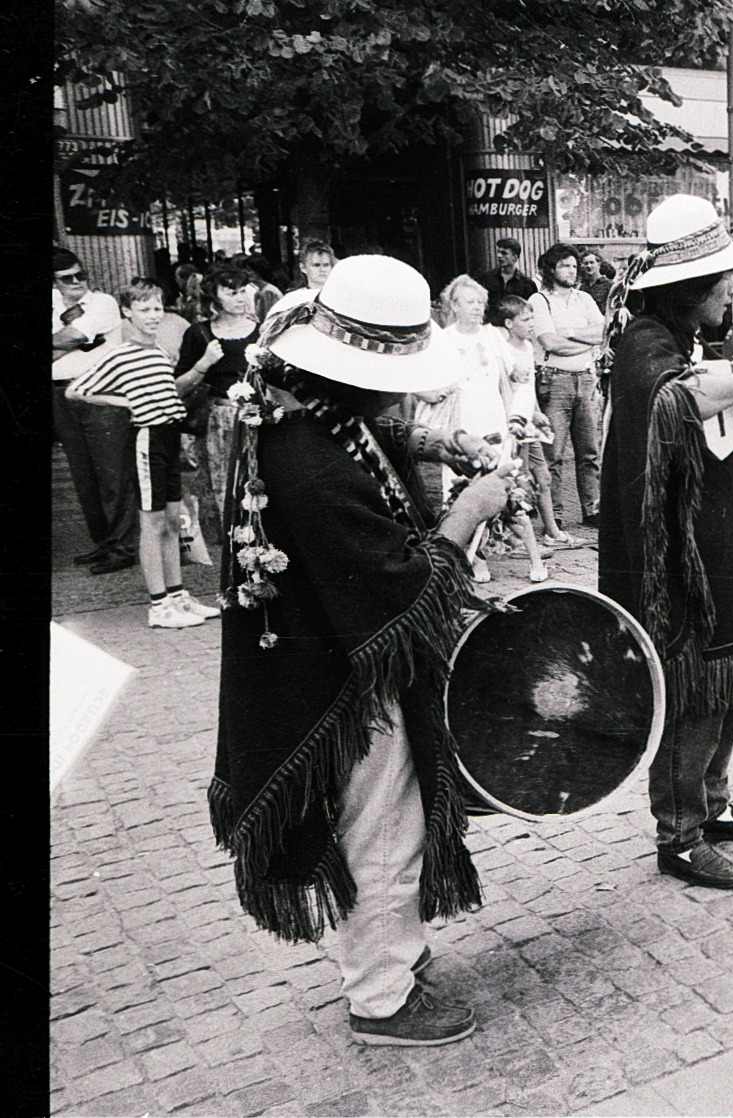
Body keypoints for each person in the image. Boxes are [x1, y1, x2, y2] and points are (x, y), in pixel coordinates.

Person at [212, 254, 512, 1047]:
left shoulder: (307, 409)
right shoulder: (311, 461)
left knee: (393, 819)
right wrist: (471, 510)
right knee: (381, 828)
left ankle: (395, 959)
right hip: (339, 679)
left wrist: (436, 445)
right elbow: (400, 583)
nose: (406, 389)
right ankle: (381, 998)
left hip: (332, 658)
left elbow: (371, 430)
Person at [597, 194, 733, 890]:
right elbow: (672, 402)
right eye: (723, 283)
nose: (732, 292)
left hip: (713, 540)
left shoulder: (682, 346)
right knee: (687, 688)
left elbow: (714, 449)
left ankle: (711, 804)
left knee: (719, 677)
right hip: (672, 562)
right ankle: (680, 835)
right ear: (692, 288)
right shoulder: (645, 347)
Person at [66, 280, 221, 628]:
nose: (153, 316)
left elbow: (169, 393)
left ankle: (177, 595)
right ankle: (158, 605)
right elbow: (76, 392)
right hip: (147, 440)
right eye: (144, 309)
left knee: (170, 521)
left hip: (169, 437)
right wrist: (125, 402)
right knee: (150, 524)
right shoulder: (121, 354)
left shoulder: (159, 352)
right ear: (127, 312)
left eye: (157, 308)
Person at [428, 275, 549, 584]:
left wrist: (521, 401)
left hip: (495, 423)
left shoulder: (492, 335)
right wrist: (434, 391)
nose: (477, 307)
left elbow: (515, 371)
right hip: (461, 430)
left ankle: (535, 559)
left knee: (511, 491)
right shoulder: (442, 338)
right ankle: (477, 561)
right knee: (462, 495)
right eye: (469, 302)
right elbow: (424, 382)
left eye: (480, 302)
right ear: (454, 305)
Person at [53, 249, 139, 574]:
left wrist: (69, 341)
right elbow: (70, 341)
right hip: (62, 395)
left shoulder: (102, 303)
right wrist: (69, 344)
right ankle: (104, 543)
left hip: (101, 392)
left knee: (112, 473)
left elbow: (74, 335)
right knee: (84, 477)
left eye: (81, 274)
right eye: (67, 278)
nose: (77, 282)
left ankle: (123, 546)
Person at [174, 261, 261, 546]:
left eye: (242, 291)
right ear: (214, 296)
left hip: (258, 420)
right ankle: (232, 542)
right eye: (231, 291)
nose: (239, 298)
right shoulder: (198, 334)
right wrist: (203, 364)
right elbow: (177, 387)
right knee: (222, 484)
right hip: (218, 422)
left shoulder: (262, 332)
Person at [531, 242, 606, 530]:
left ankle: (592, 509)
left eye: (574, 265)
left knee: (589, 451)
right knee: (554, 453)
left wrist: (571, 334)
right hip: (555, 380)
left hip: (586, 379)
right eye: (565, 265)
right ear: (551, 269)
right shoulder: (539, 301)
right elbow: (549, 342)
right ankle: (556, 514)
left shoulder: (584, 299)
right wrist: (581, 344)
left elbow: (602, 332)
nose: (572, 270)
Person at [497, 294, 567, 549]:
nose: (531, 324)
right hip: (513, 425)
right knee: (520, 480)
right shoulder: (501, 350)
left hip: (529, 422)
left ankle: (552, 531)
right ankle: (518, 540)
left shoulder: (528, 348)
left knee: (543, 476)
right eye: (526, 319)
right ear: (509, 323)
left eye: (532, 318)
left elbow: (529, 387)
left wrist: (537, 413)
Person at [473, 237, 538, 326]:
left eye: (504, 253)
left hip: (514, 330)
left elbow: (530, 311)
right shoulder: (485, 279)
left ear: (515, 257)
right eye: (498, 252)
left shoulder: (527, 284)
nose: (499, 256)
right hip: (489, 328)